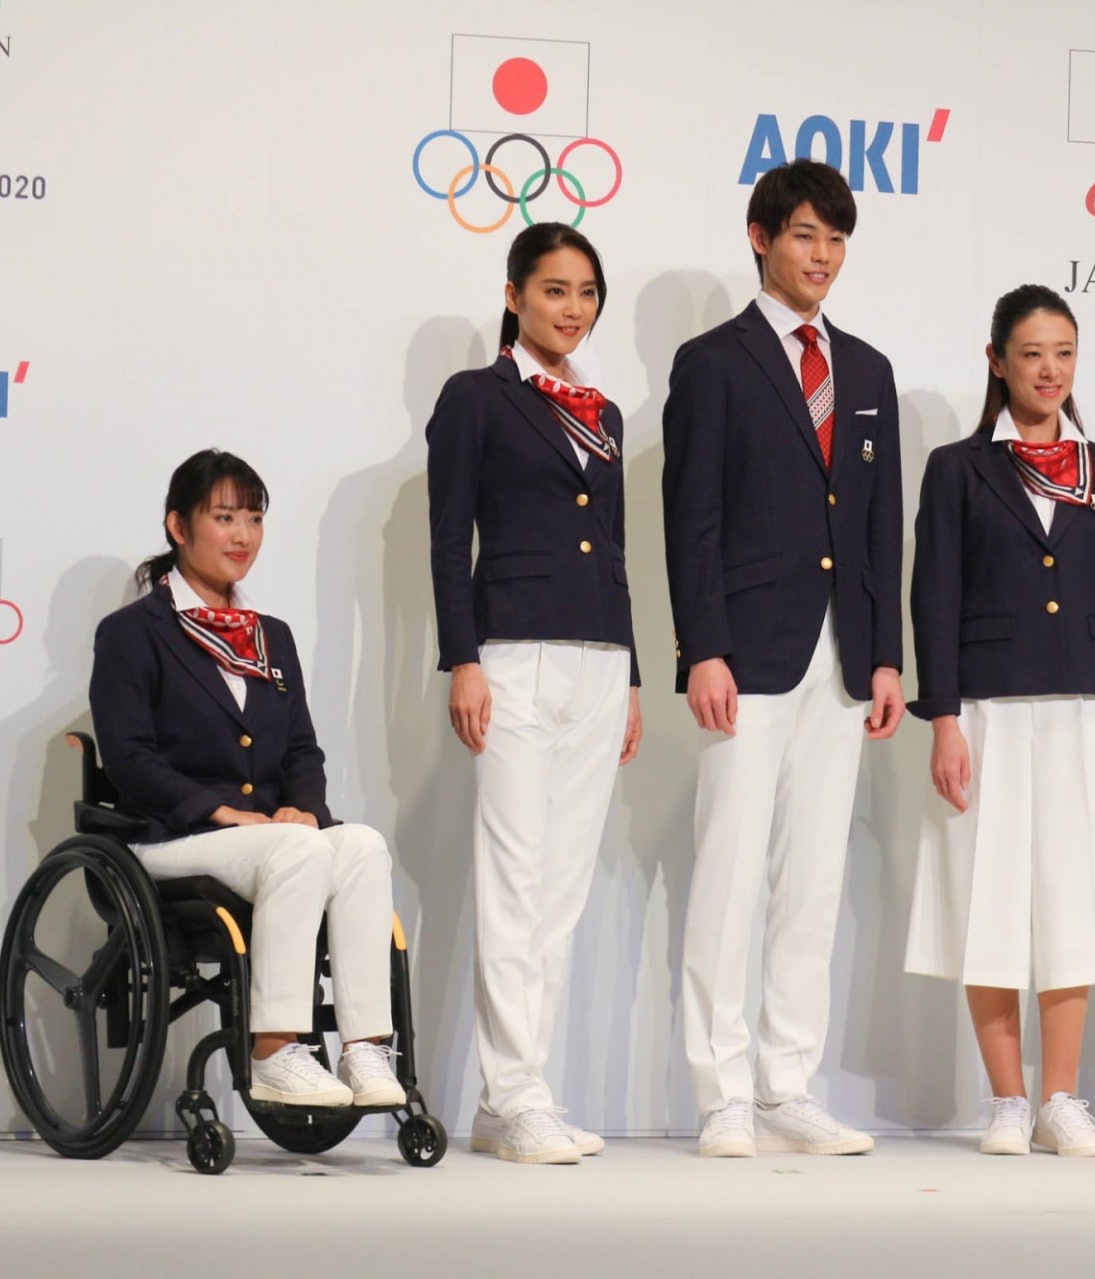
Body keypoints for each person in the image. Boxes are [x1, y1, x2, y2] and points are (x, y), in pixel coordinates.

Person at [662, 158, 905, 1157]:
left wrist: (886, 655)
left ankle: (786, 1084)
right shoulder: (713, 362)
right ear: (761, 237)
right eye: (806, 235)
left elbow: (882, 526)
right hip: (749, 652)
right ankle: (720, 1090)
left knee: (813, 874)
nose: (823, 256)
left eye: (837, 239)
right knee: (727, 872)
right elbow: (693, 519)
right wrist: (701, 648)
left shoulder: (872, 370)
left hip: (842, 659)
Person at [904, 285, 1095, 1157]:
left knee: (1071, 901)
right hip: (989, 704)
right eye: (1033, 353)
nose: (1049, 370)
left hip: (1092, 703)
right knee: (990, 897)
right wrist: (942, 717)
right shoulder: (957, 468)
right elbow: (931, 596)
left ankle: (1060, 1097)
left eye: (1064, 353)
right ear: (997, 360)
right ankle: (1007, 1099)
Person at [90, 449, 404, 1110]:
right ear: (178, 526)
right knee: (296, 849)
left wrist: (304, 808)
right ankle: (275, 1051)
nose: (242, 535)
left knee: (363, 844)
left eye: (254, 518)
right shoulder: (132, 633)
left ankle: (365, 1046)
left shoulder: (271, 636)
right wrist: (220, 812)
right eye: (224, 516)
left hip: (266, 837)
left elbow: (302, 749)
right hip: (169, 835)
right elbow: (128, 758)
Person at [426, 222, 642, 1165]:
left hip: (598, 656)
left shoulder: (605, 409)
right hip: (511, 651)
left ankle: (515, 1096)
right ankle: (516, 1097)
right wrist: (462, 657)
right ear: (514, 295)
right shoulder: (476, 398)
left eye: (587, 291)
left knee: (559, 889)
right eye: (555, 289)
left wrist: (631, 671)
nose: (573, 308)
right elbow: (447, 539)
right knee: (513, 881)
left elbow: (622, 548)